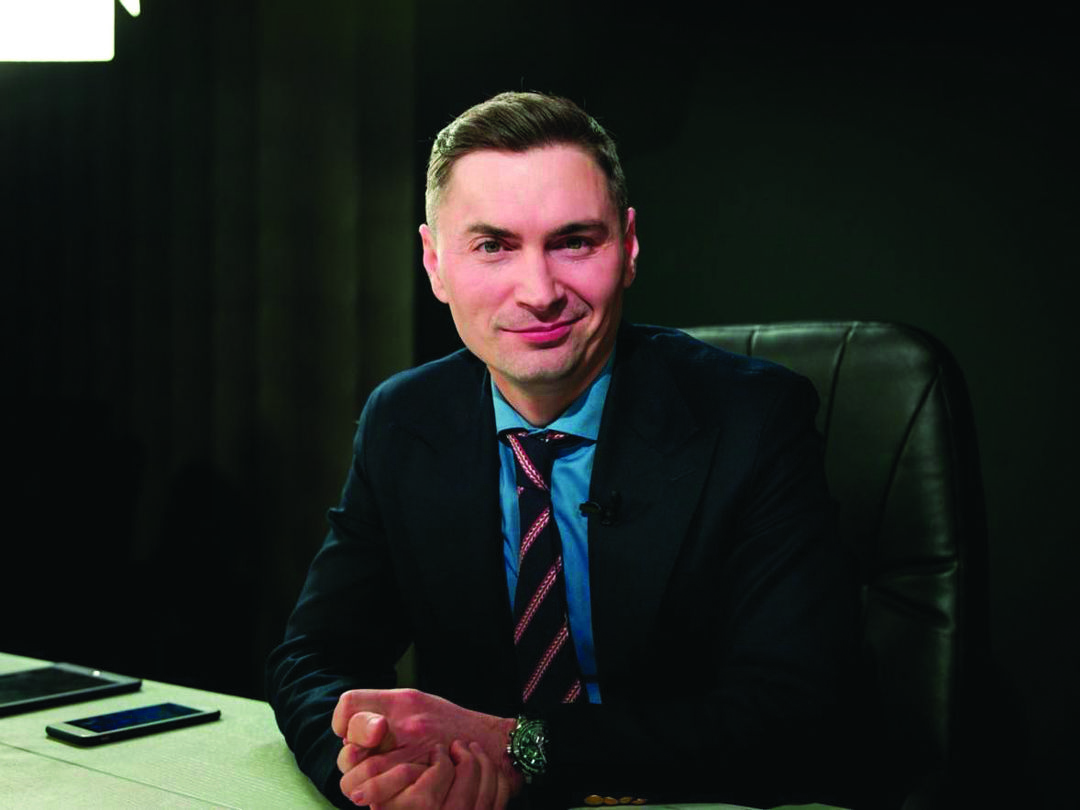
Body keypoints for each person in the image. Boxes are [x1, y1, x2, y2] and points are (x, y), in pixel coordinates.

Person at [267, 91, 859, 810]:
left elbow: (792, 708)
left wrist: (523, 747)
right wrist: (367, 769)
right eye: (493, 246)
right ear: (435, 263)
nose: (539, 292)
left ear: (629, 247)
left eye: (574, 241)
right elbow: (315, 656)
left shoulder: (755, 420)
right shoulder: (403, 421)